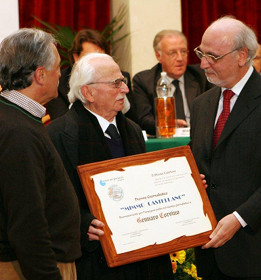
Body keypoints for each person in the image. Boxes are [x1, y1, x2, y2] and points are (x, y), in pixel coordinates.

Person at [190, 16, 261, 279]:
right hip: (210, 249)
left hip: (259, 245)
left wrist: (239, 218)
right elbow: (198, 163)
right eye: (201, 53)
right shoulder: (202, 104)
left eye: (213, 56)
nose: (203, 63)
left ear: (242, 55)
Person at [47, 53, 174, 279]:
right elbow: (52, 197)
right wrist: (82, 223)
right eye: (116, 83)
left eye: (123, 81)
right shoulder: (58, 134)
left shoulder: (132, 130)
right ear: (88, 92)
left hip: (141, 254)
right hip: (94, 258)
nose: (125, 89)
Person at [0, 28, 81, 279]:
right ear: (40, 75)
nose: (61, 73)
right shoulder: (18, 130)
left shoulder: (17, 117)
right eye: (58, 67)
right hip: (29, 268)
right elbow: (26, 221)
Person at [126, 30, 212, 135]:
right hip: (166, 140)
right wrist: (167, 125)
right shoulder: (144, 81)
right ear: (158, 56)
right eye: (173, 53)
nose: (180, 58)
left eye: (184, 51)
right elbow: (144, 120)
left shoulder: (202, 76)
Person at [45, 29, 132, 120]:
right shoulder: (58, 81)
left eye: (101, 56)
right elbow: (62, 123)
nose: (98, 62)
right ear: (76, 57)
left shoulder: (121, 79)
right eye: (91, 56)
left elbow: (132, 118)